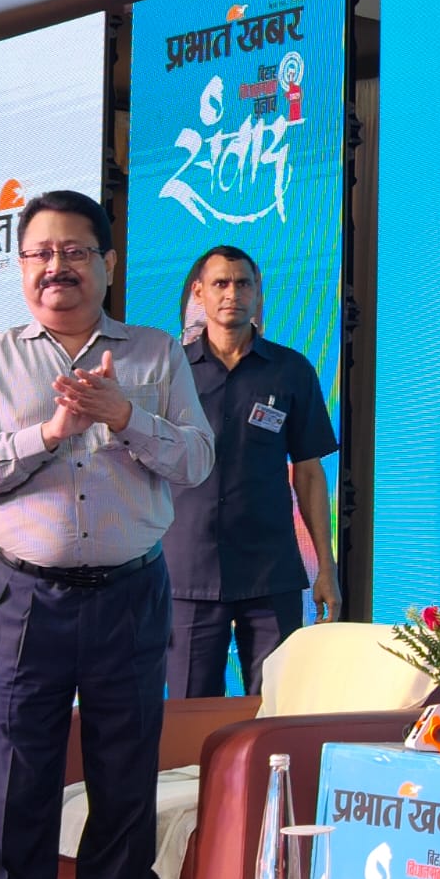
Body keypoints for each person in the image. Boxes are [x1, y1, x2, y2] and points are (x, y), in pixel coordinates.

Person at [0, 189, 214, 879]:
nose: (56, 266)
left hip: (131, 594)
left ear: (108, 263)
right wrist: (50, 432)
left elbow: (198, 460)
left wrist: (126, 417)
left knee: (123, 795)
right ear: (22, 265)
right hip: (28, 598)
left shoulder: (156, 354)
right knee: (16, 795)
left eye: (75, 251)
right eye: (41, 253)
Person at [160, 245, 340, 698]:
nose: (232, 293)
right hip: (187, 573)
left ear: (258, 292)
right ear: (199, 292)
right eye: (220, 283)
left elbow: (309, 473)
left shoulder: (291, 370)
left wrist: (326, 566)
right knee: (189, 711)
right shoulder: (170, 370)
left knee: (273, 708)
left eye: (243, 283)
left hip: (270, 573)